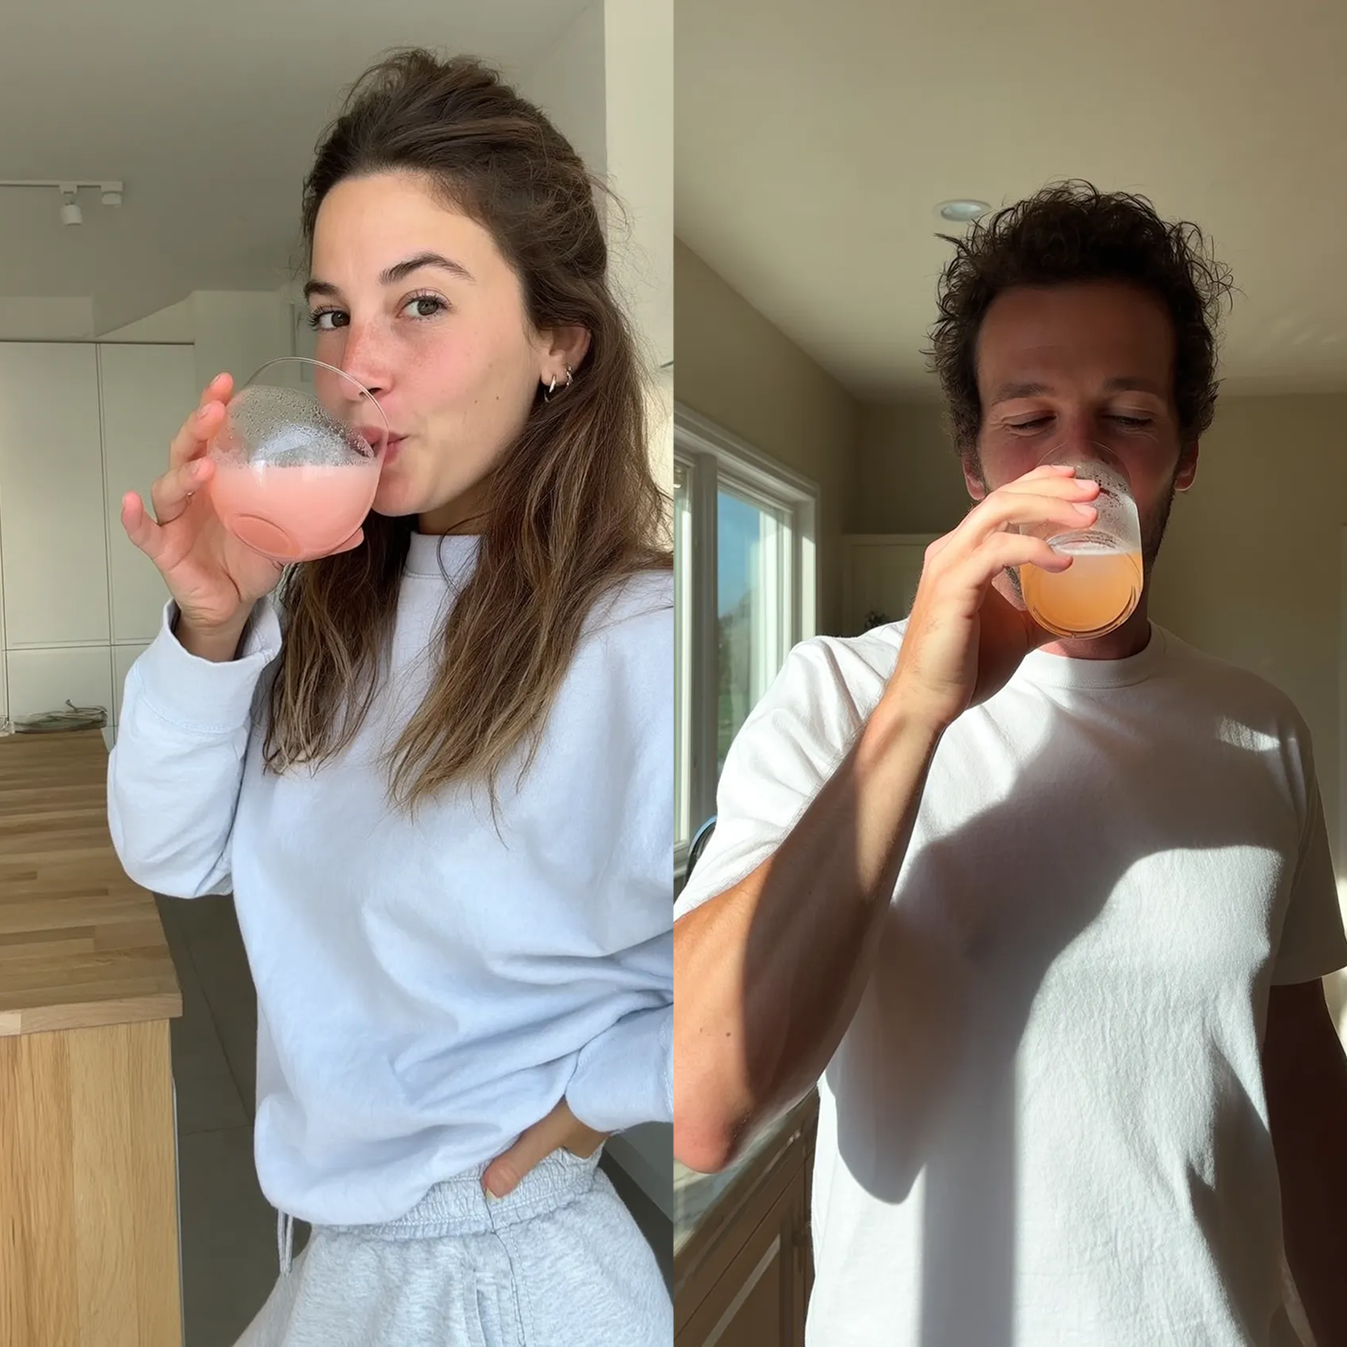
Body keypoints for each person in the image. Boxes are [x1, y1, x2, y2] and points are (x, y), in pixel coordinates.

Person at [673, 182, 1347, 1346]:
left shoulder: (1262, 731)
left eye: (1127, 416)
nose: (1077, 469)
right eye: (1029, 419)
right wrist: (920, 713)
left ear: (1183, 456)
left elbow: (1294, 1082)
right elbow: (698, 1105)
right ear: (977, 466)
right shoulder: (833, 697)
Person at [109, 50, 672, 1347]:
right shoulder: (326, 603)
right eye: (329, 314)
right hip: (339, 1264)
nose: (357, 364)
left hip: (495, 1279)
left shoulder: (634, 639)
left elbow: (814, 956)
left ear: (555, 338)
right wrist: (211, 620)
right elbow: (173, 852)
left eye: (418, 305)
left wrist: (601, 1091)